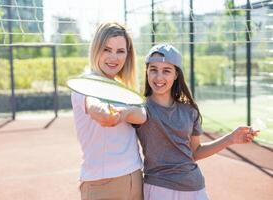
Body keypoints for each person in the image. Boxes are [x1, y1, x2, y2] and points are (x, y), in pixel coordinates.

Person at [136, 44, 258, 200]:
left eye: (166, 71)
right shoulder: (139, 109)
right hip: (158, 188)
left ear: (176, 75)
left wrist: (231, 138)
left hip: (194, 188)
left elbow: (195, 152)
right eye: (153, 69)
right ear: (146, 72)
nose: (159, 77)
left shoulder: (189, 110)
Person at [71, 22, 146, 200]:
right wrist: (105, 113)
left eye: (120, 51)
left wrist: (124, 113)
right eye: (107, 49)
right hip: (102, 184)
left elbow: (142, 116)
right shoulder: (86, 82)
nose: (114, 57)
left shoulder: (122, 86)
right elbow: (94, 105)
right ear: (96, 49)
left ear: (128, 55)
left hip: (135, 178)